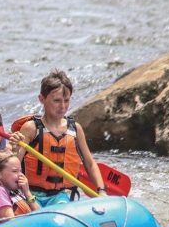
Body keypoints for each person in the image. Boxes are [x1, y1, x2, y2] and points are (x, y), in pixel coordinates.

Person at [12, 69, 107, 206]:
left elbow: (90, 163)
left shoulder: (75, 130)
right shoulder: (31, 128)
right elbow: (13, 164)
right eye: (56, 100)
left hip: (58, 196)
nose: (62, 106)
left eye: (66, 100)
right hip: (28, 193)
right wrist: (15, 148)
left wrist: (101, 190)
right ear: (42, 99)